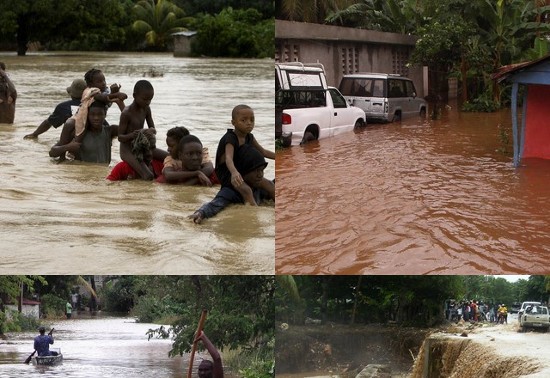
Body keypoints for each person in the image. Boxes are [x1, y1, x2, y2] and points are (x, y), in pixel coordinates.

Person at [190, 144, 274, 224]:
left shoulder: (260, 186)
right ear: (242, 172)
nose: (260, 175)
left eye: (262, 170)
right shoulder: (230, 191)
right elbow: (214, 205)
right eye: (256, 171)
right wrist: (201, 213)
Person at [215, 104, 275, 205]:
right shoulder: (230, 138)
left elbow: (263, 152)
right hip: (228, 174)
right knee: (247, 191)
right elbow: (228, 158)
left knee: (270, 185)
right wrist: (234, 173)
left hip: (242, 172)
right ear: (233, 123)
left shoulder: (249, 137)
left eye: (252, 120)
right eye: (243, 120)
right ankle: (253, 214)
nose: (249, 123)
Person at [117, 80, 166, 180]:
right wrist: (132, 135)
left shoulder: (146, 109)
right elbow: (120, 137)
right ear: (134, 95)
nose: (147, 102)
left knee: (169, 157)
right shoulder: (126, 113)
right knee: (148, 176)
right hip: (128, 151)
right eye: (145, 99)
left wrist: (151, 131)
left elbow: (153, 129)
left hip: (143, 146)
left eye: (150, 100)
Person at [49, 100, 118, 163]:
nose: (96, 118)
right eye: (92, 115)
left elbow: (128, 128)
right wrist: (67, 147)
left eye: (100, 114)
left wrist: (119, 102)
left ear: (105, 115)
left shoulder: (110, 131)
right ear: (87, 115)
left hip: (103, 173)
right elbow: (52, 153)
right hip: (82, 173)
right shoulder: (78, 133)